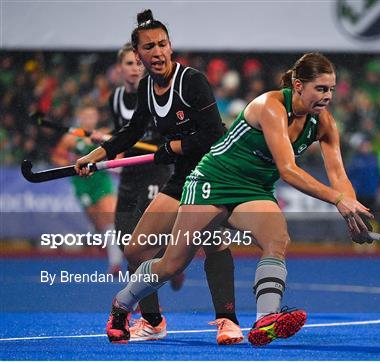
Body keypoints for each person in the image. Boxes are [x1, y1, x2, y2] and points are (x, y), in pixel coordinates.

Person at [103, 52, 374, 346]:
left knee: (277, 239)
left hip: (253, 189)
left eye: (331, 89)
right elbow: (287, 170)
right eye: (321, 89)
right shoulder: (271, 106)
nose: (328, 96)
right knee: (171, 265)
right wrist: (337, 200)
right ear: (298, 85)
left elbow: (338, 174)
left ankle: (265, 320)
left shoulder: (323, 122)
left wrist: (353, 211)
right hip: (213, 180)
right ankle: (121, 307)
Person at [75, 9, 242, 345]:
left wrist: (174, 145)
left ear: (170, 46)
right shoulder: (148, 86)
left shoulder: (191, 81)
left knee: (214, 242)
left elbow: (214, 136)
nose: (157, 52)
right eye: (148, 47)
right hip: (182, 176)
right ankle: (153, 321)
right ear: (138, 54)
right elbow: (132, 130)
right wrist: (96, 155)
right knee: (135, 250)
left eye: (162, 44)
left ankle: (228, 321)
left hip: (214, 172)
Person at [105, 43, 187, 341]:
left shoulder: (157, 94)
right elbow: (125, 135)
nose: (135, 68)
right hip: (130, 178)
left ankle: (153, 318)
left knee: (142, 249)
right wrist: (107, 149)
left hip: (158, 175)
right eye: (129, 63)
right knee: (128, 245)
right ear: (121, 68)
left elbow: (160, 136)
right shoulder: (115, 99)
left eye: (138, 63)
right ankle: (171, 262)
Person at [51, 102, 123, 272]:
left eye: (92, 116)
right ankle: (102, 239)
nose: (89, 120)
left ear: (97, 118)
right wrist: (70, 163)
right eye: (86, 116)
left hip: (101, 179)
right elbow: (57, 157)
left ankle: (115, 262)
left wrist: (115, 164)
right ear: (80, 117)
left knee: (110, 217)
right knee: (97, 221)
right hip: (81, 183)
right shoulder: (70, 138)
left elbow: (118, 152)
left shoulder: (104, 134)